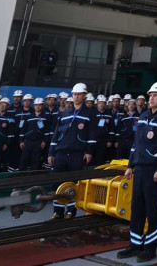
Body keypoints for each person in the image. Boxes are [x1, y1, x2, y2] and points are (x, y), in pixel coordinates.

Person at [116, 82, 157, 262]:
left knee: (153, 210)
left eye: (156, 95)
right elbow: (136, 145)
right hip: (140, 169)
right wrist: (130, 165)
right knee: (137, 208)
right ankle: (135, 245)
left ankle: (150, 248)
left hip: (154, 171)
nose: (151, 97)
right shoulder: (143, 116)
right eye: (150, 94)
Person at [48, 83, 98, 219]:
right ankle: (57, 211)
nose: (76, 96)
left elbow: (92, 136)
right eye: (75, 94)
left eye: (79, 94)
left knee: (73, 182)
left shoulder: (90, 114)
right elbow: (56, 135)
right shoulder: (64, 114)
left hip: (77, 154)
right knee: (57, 182)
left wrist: (89, 152)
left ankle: (71, 211)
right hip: (61, 153)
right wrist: (51, 153)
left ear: (84, 96)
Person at [18, 98, 50, 171]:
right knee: (24, 159)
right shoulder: (28, 117)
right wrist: (21, 141)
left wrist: (44, 141)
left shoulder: (46, 117)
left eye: (39, 105)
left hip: (38, 142)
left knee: (36, 160)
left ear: (42, 106)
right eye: (36, 105)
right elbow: (23, 130)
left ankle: (33, 178)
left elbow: (47, 131)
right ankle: (20, 176)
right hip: (28, 142)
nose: (37, 107)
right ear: (34, 106)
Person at [117, 94, 138, 159]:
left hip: (133, 140)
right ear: (127, 106)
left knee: (131, 157)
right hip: (123, 140)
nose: (131, 106)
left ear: (135, 106)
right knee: (120, 157)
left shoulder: (139, 116)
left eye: (133, 104)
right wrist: (117, 140)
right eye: (130, 104)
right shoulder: (123, 116)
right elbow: (118, 128)